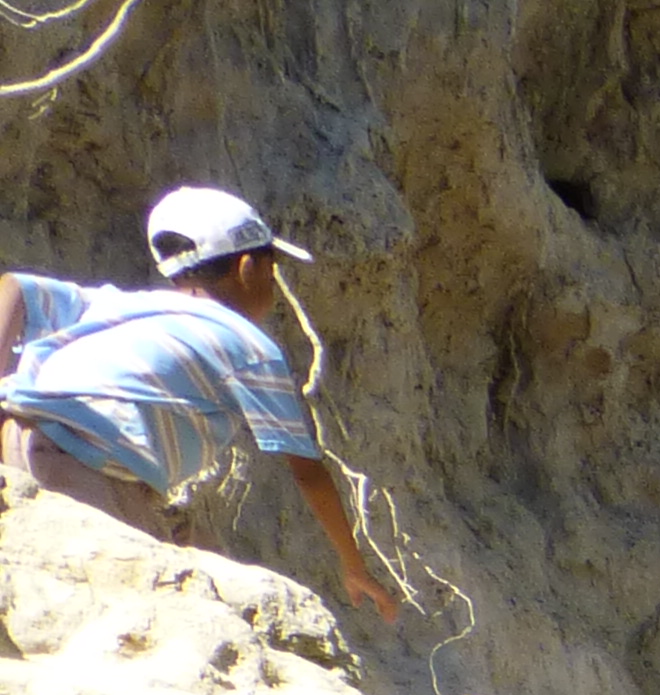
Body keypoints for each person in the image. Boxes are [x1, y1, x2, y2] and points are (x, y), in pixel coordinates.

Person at [2, 186, 398, 622]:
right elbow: (307, 471)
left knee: (202, 554)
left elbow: (14, 288)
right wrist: (353, 564)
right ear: (249, 268)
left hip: (26, 440)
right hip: (81, 463)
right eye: (272, 269)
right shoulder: (249, 345)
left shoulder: (128, 304)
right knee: (145, 609)